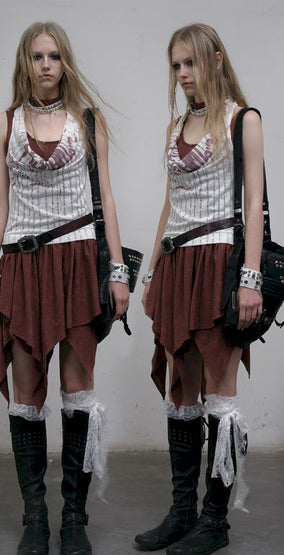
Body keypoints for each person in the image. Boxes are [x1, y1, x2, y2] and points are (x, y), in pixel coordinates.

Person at [0, 21, 129, 555]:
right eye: (37, 57)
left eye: (54, 55)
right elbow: (1, 202)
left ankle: (74, 516)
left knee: (78, 389)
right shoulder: (7, 123)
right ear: (25, 64)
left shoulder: (87, 120)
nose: (46, 65)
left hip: (77, 262)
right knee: (28, 392)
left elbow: (107, 198)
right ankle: (36, 518)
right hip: (22, 264)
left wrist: (117, 270)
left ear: (65, 61)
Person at [135, 23, 264, 555]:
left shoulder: (242, 119)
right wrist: (151, 272)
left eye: (190, 63)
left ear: (215, 59)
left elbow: (253, 203)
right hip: (177, 263)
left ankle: (216, 520)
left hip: (219, 262)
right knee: (183, 390)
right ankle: (182, 511)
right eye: (176, 66)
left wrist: (251, 278)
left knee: (221, 391)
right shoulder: (175, 126)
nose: (183, 74)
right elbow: (171, 204)